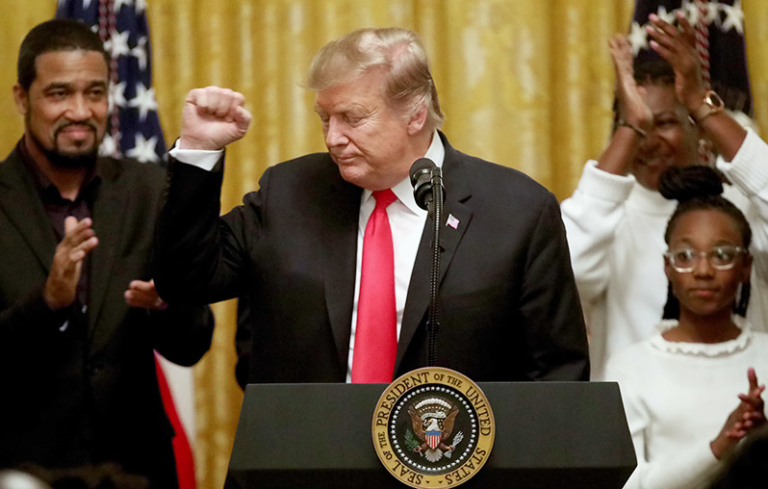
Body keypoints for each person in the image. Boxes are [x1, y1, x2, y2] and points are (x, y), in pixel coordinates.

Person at [154, 27, 589, 384]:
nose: (332, 138)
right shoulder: (289, 191)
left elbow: (557, 374)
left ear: (415, 115)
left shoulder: (517, 211)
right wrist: (198, 150)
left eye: (352, 118)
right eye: (325, 119)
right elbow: (186, 281)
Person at [0, 19, 214, 488]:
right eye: (59, 93)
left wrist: (164, 303)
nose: (80, 111)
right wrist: (47, 302)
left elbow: (193, 342)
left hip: (138, 469)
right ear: (22, 98)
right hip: (25, 469)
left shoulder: (152, 191)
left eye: (94, 93)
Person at [561, 12, 768, 379]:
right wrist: (630, 127)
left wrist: (700, 101)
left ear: (696, 128)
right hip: (632, 425)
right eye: (637, 124)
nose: (649, 141)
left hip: (743, 415)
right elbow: (563, 267)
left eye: (665, 123)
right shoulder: (607, 218)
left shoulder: (739, 209)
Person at [604, 166, 768, 489]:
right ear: (668, 266)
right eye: (686, 256)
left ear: (745, 267)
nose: (703, 270)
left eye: (722, 254)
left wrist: (760, 441)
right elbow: (627, 484)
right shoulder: (630, 367)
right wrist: (720, 446)